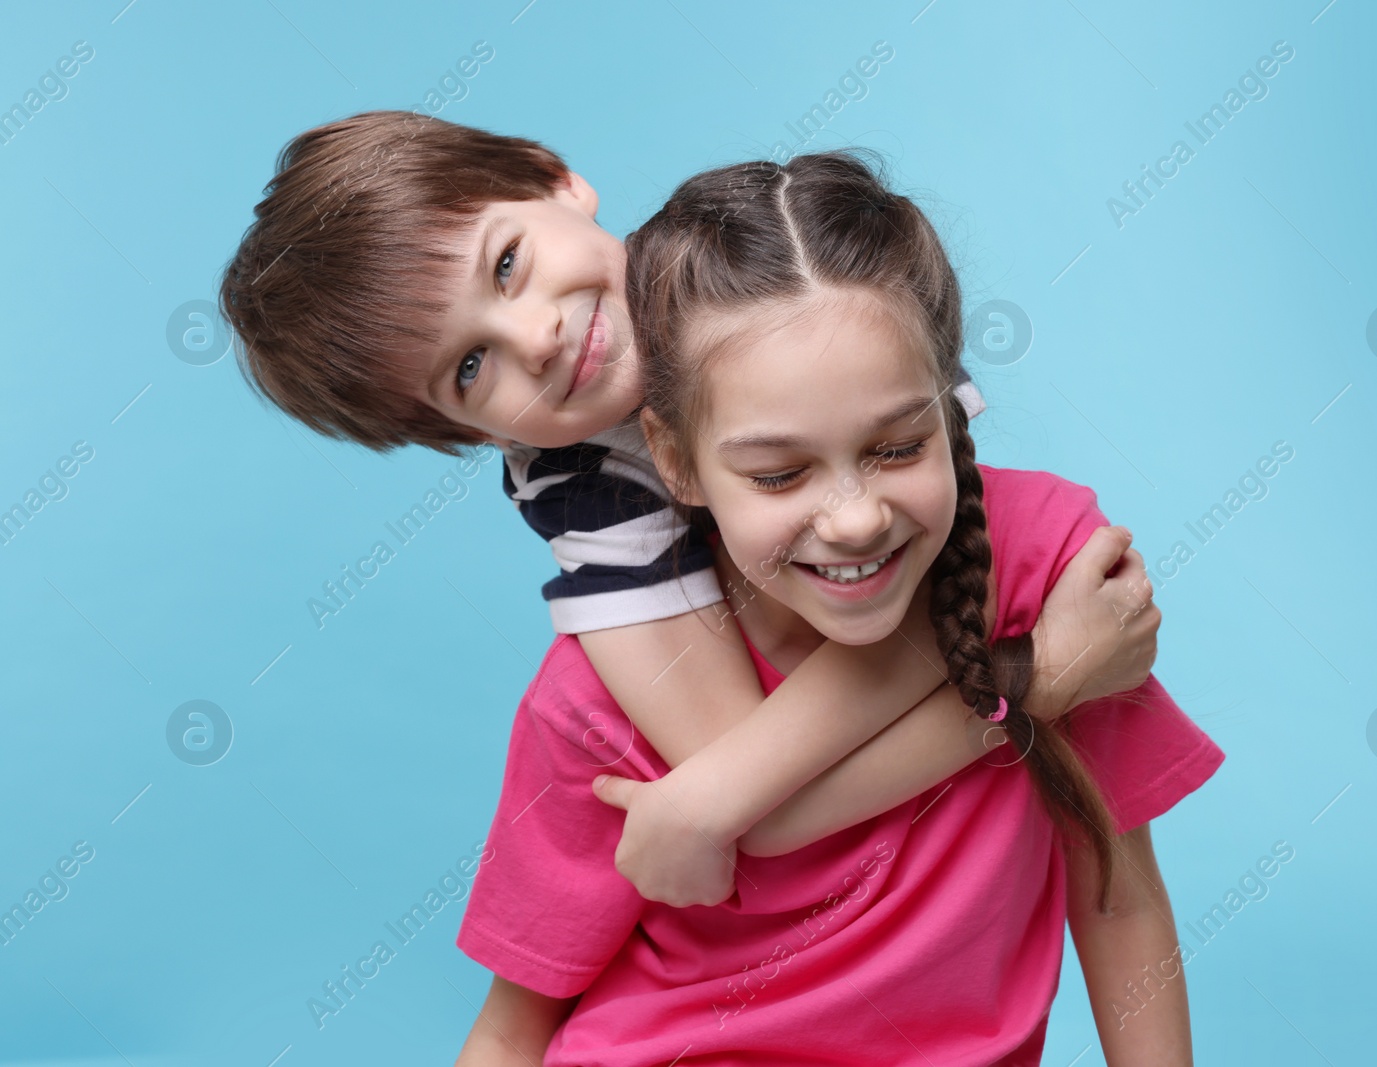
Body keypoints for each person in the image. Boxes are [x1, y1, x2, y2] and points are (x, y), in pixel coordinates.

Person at [218, 112, 1161, 905]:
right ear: (460, 432)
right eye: (470, 368)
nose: (537, 337)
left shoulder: (789, 273)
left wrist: (715, 800)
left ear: (556, 181)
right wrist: (1041, 682)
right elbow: (760, 795)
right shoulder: (577, 488)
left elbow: (934, 563)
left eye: (505, 266)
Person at [454, 151, 1224, 1065]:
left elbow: (1120, 896)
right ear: (675, 460)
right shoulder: (600, 690)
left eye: (899, 447)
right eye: (779, 473)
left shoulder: (1056, 575)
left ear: (950, 402)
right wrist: (1033, 681)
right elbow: (511, 1031)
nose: (855, 519)